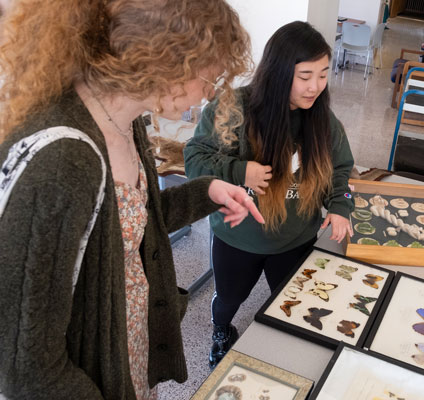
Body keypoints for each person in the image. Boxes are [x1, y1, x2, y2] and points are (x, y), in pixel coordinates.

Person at [0, 0, 263, 399]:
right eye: (207, 76)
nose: (210, 92)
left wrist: (206, 191)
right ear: (162, 60)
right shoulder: (63, 160)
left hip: (126, 345)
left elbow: (130, 222)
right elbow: (27, 367)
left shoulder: (126, 121)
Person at [184, 21, 355, 369]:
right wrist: (239, 170)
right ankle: (220, 331)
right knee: (230, 298)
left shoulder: (323, 119)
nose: (315, 87)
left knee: (292, 302)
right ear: (278, 72)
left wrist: (339, 206)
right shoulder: (234, 108)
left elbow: (340, 169)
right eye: (305, 76)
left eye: (323, 75)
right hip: (238, 236)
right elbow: (195, 159)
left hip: (295, 237)